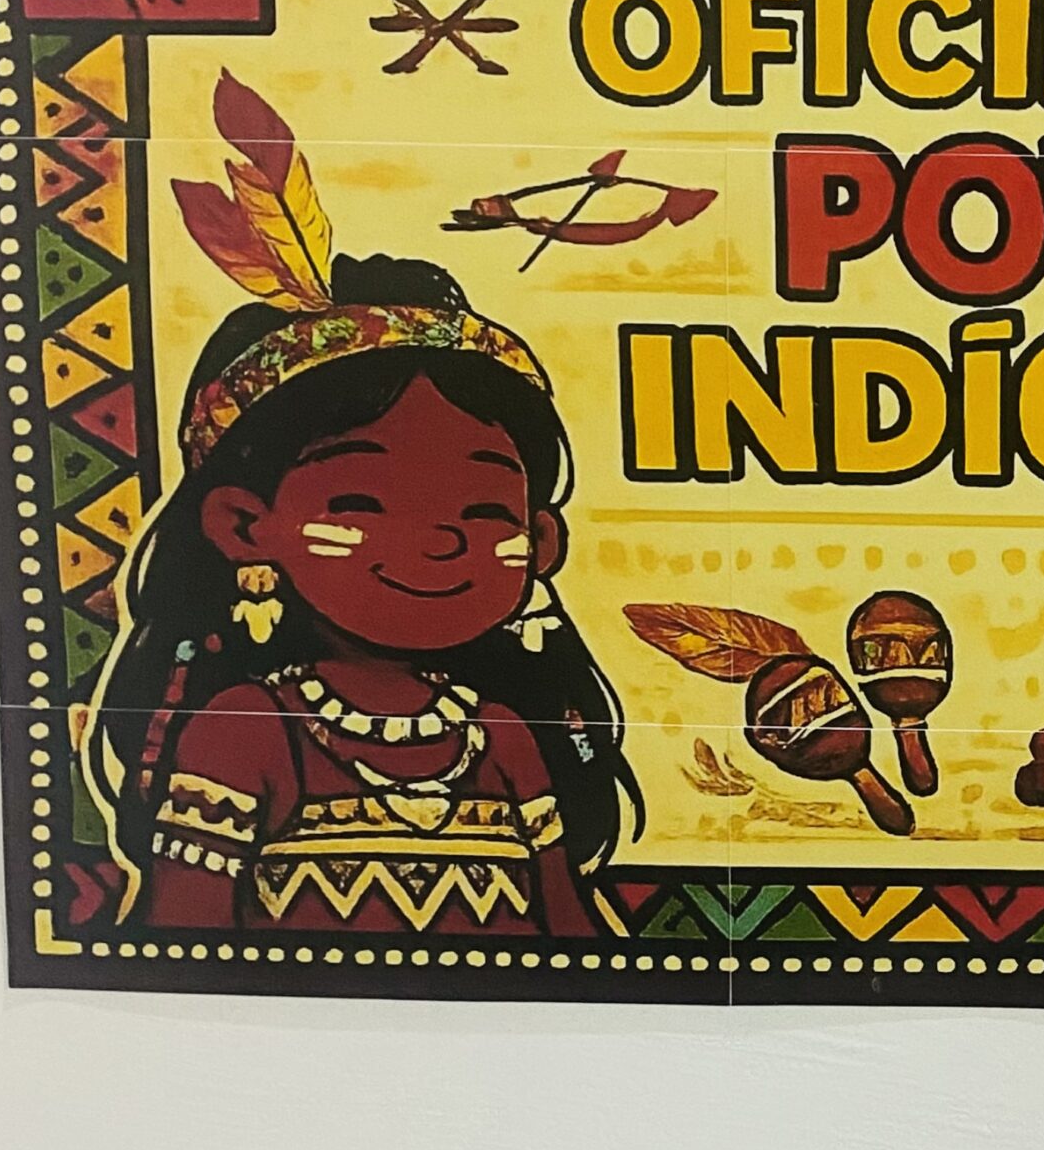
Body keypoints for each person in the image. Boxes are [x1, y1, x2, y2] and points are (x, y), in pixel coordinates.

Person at [88, 76, 638, 935]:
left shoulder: (502, 734)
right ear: (243, 526)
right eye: (361, 503)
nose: (441, 540)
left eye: (487, 515)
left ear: (540, 541)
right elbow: (184, 944)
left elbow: (576, 941)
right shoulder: (245, 731)